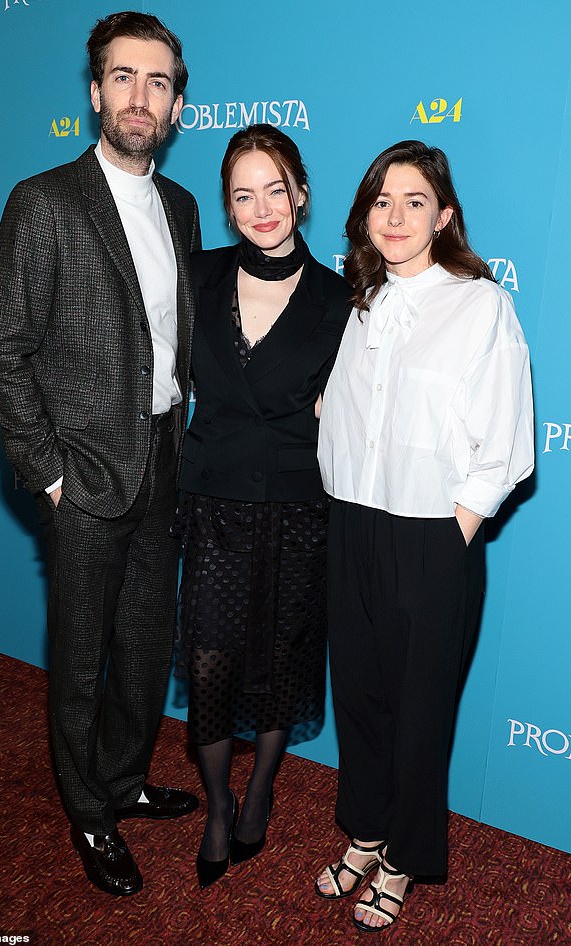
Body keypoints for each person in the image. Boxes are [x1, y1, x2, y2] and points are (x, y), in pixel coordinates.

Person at [0, 12, 201, 897]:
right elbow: (0, 348)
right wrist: (52, 471)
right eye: (123, 77)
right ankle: (89, 811)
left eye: (157, 81)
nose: (138, 96)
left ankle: (124, 776)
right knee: (79, 656)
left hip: (163, 463)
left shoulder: (181, 208)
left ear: (177, 103)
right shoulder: (44, 201)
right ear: (95, 91)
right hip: (85, 473)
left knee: (146, 651)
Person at [315, 140, 534, 931]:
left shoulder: (481, 305)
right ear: (364, 217)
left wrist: (454, 533)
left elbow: (506, 442)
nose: (396, 216)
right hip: (352, 525)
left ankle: (404, 857)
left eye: (414, 201)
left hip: (430, 539)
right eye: (382, 201)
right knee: (362, 697)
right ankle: (366, 833)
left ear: (444, 215)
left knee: (418, 709)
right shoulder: (361, 302)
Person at [174, 124, 353, 889]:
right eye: (242, 194)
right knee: (211, 664)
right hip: (212, 501)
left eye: (274, 188)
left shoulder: (340, 298)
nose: (260, 207)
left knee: (282, 662)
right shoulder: (196, 277)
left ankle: (262, 791)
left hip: (295, 507)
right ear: (228, 206)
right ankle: (218, 805)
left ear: (300, 194)